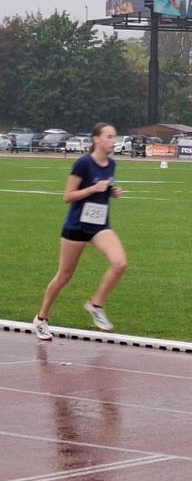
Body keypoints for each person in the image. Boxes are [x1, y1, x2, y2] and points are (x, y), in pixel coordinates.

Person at [32, 123, 127, 340]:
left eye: (115, 137)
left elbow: (103, 188)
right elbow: (68, 196)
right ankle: (41, 318)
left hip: (100, 225)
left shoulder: (111, 164)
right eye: (109, 136)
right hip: (77, 226)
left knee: (120, 263)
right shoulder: (83, 163)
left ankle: (95, 305)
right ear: (96, 139)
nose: (113, 141)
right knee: (64, 276)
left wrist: (111, 192)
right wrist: (93, 188)